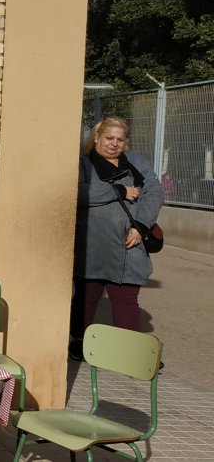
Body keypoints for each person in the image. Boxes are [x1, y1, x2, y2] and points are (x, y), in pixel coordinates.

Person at [71, 117, 163, 349]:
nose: (114, 144)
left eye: (120, 139)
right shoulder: (84, 163)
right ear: (97, 138)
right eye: (109, 138)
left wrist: (140, 226)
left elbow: (154, 194)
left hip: (129, 241)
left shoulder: (136, 163)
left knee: (127, 297)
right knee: (87, 297)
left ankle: (130, 353)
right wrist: (120, 190)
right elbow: (78, 193)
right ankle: (79, 344)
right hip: (93, 243)